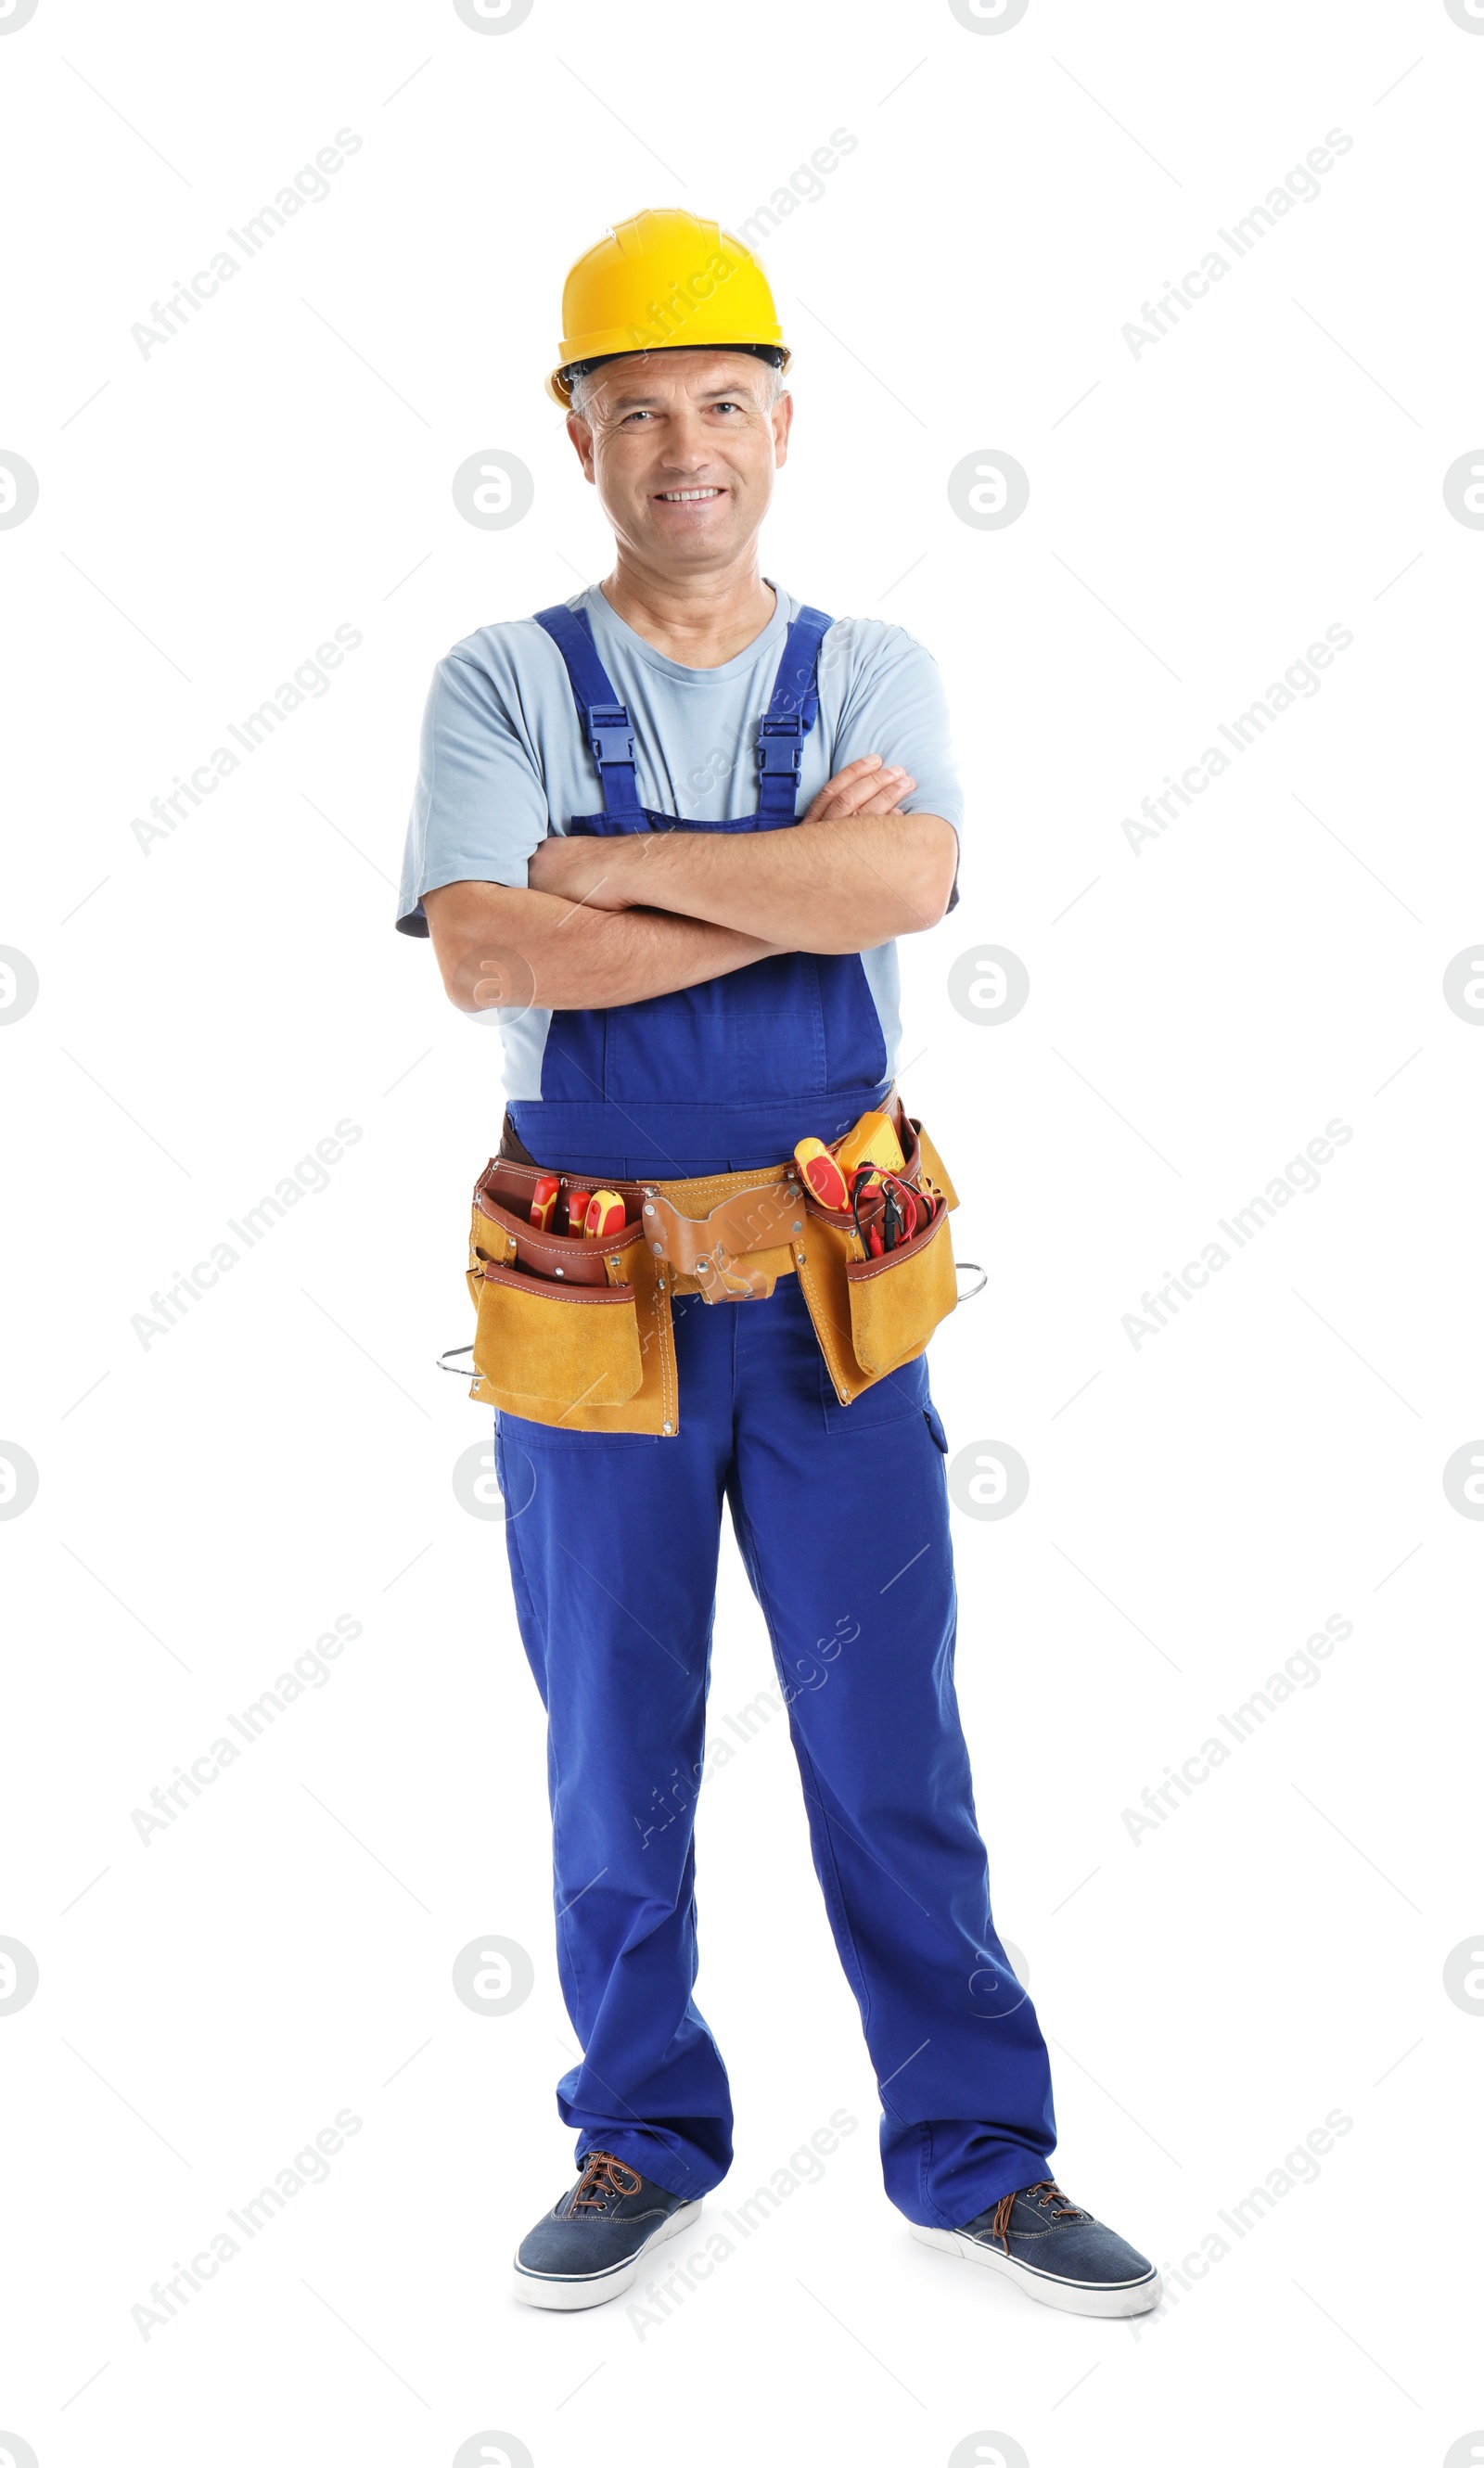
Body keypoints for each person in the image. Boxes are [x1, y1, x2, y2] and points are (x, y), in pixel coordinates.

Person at [397, 209, 1158, 2321]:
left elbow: (909, 871)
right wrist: (787, 883)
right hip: (592, 1310)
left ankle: (976, 2156)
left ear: (782, 424)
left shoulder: (876, 667)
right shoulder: (499, 679)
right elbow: (484, 946)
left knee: (887, 1742)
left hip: (835, 1304)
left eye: (719, 404)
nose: (682, 446)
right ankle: (637, 2128)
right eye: (634, 409)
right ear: (576, 437)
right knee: (608, 1744)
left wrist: (618, 867)